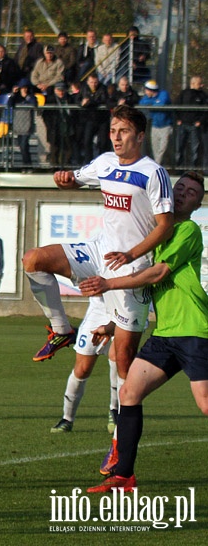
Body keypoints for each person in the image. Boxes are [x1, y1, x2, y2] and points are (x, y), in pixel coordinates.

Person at [22, 106, 173, 404]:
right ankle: (61, 330)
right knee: (34, 260)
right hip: (98, 252)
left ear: (140, 136)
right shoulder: (104, 162)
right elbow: (75, 179)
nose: (116, 137)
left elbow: (165, 226)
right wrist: (63, 178)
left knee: (124, 361)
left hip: (132, 269)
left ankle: (120, 432)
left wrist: (131, 254)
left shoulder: (153, 173)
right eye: (113, 131)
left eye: (124, 131)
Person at [83, 171, 206, 492]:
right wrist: (114, 322)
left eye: (191, 192)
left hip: (195, 331)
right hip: (165, 333)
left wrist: (109, 282)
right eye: (179, 187)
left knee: (205, 404)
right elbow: (143, 294)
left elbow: (158, 273)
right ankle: (123, 475)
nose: (182, 193)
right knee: (129, 393)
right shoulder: (155, 234)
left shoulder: (188, 229)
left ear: (198, 203)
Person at [49, 296, 118, 433]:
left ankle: (115, 411)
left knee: (118, 359)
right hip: (98, 312)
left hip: (125, 309)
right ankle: (67, 419)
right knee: (82, 369)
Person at [175, 75, 206, 170]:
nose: (202, 85)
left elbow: (205, 111)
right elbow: (176, 106)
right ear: (193, 83)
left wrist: (200, 121)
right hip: (183, 124)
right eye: (199, 83)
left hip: (194, 125)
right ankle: (179, 168)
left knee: (194, 148)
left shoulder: (203, 95)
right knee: (179, 147)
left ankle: (193, 169)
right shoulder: (184, 93)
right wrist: (178, 118)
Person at [140, 80, 173, 166]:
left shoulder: (163, 94)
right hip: (155, 126)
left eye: (146, 90)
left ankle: (157, 165)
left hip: (166, 126)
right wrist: (153, 102)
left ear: (151, 90)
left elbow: (161, 103)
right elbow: (142, 103)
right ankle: (158, 165)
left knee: (163, 148)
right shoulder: (148, 98)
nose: (145, 92)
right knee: (155, 148)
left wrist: (151, 103)